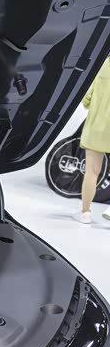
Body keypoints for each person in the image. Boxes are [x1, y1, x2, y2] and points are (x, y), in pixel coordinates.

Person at [73, 57, 110, 224]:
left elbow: (86, 99)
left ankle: (86, 213)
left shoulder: (103, 64)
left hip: (97, 126)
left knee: (92, 172)